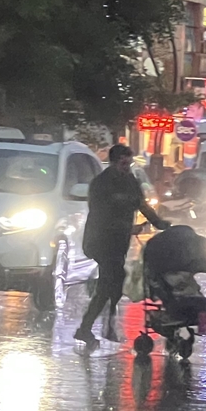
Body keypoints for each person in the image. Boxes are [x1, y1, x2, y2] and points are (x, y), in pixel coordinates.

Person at [75, 144, 170, 345]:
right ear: (114, 162)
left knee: (113, 285)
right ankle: (94, 327)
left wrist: (158, 222)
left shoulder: (131, 181)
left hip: (118, 242)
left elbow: (141, 204)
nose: (127, 167)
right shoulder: (101, 183)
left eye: (129, 163)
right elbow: (100, 214)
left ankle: (95, 326)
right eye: (123, 163)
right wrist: (129, 229)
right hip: (101, 241)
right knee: (112, 282)